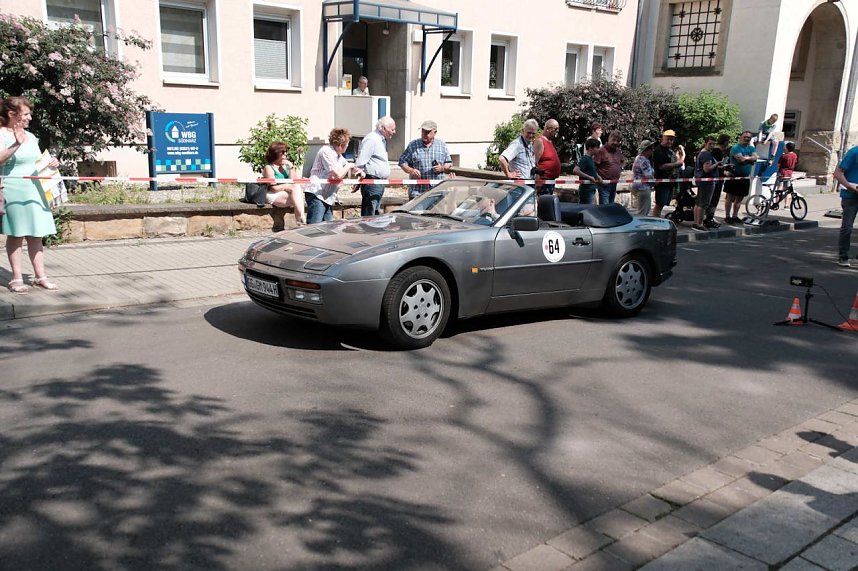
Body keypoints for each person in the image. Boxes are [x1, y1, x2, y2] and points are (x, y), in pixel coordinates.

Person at [0, 96, 60, 294]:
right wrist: (15, 144)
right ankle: (16, 278)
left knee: (36, 234)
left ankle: (40, 277)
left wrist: (51, 163)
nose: (30, 117)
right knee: (16, 234)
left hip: (36, 188)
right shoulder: (2, 134)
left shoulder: (32, 136)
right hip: (13, 188)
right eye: (26, 114)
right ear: (11, 114)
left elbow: (37, 160)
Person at [305, 128, 364, 224]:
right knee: (314, 227)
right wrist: (349, 165)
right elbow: (338, 174)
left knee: (329, 228)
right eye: (347, 144)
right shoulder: (326, 151)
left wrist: (360, 172)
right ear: (341, 144)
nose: (348, 146)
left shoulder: (339, 156)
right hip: (317, 194)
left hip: (327, 197)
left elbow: (351, 168)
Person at [398, 119, 453, 199]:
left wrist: (442, 168)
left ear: (434, 132)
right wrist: (411, 170)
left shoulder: (442, 146)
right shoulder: (413, 145)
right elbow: (402, 162)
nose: (424, 134)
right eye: (423, 131)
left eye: (427, 132)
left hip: (436, 192)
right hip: (417, 192)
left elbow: (449, 163)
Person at [355, 116, 395, 216]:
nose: (394, 132)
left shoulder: (380, 140)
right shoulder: (372, 139)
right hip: (372, 182)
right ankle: (368, 231)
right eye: (392, 129)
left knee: (375, 213)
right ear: (384, 128)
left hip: (378, 182)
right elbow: (361, 161)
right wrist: (358, 180)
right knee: (370, 214)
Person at [261, 142, 305, 225]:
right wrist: (287, 186)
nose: (286, 154)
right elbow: (273, 188)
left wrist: (291, 168)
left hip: (287, 193)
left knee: (297, 193)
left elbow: (294, 182)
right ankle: (302, 220)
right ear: (276, 153)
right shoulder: (269, 168)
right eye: (283, 152)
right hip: (273, 195)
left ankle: (300, 222)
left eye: (286, 151)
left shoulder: (286, 166)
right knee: (297, 194)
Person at [832, 144, 858, 267]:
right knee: (847, 227)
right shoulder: (854, 152)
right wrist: (849, 186)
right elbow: (838, 173)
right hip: (850, 196)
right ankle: (843, 256)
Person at [724, 131, 758, 224]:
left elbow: (755, 158)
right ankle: (727, 216)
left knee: (739, 198)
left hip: (745, 177)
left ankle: (735, 216)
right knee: (730, 197)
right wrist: (749, 159)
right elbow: (740, 159)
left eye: (749, 137)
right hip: (734, 176)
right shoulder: (735, 147)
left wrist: (746, 158)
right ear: (741, 137)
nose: (747, 139)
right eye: (745, 137)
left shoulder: (751, 148)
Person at [651, 129, 686, 218]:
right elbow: (661, 166)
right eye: (668, 139)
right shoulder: (659, 151)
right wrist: (676, 164)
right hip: (662, 182)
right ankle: (656, 222)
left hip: (670, 182)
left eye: (672, 139)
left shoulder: (670, 150)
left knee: (663, 203)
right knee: (659, 204)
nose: (670, 141)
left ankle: (658, 221)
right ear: (663, 138)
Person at [705, 133, 733, 228]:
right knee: (713, 198)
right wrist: (724, 169)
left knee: (715, 199)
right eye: (727, 141)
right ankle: (708, 218)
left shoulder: (722, 152)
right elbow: (716, 165)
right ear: (724, 142)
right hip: (715, 178)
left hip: (719, 178)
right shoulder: (716, 151)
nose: (728, 143)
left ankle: (710, 217)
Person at [692, 136, 718, 231]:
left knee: (699, 202)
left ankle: (696, 222)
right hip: (707, 181)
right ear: (705, 143)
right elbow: (707, 169)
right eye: (710, 143)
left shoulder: (702, 153)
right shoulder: (706, 154)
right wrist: (717, 164)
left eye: (714, 144)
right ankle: (699, 223)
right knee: (703, 203)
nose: (712, 146)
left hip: (702, 180)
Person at [593, 131, 625, 205]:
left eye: (618, 141)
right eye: (613, 140)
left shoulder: (618, 151)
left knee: (610, 208)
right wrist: (597, 176)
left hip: (614, 184)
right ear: (609, 138)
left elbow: (622, 161)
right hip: (604, 185)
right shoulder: (601, 151)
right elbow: (593, 165)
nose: (615, 142)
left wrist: (621, 168)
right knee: (605, 209)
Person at [532, 119, 561, 195]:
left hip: (549, 181)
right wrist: (538, 178)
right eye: (555, 129)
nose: (557, 132)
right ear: (548, 129)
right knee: (543, 204)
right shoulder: (540, 141)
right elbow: (534, 161)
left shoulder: (549, 142)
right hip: (543, 181)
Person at [573, 138, 602, 204]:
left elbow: (591, 170)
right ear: (590, 148)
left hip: (591, 188)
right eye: (597, 147)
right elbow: (575, 170)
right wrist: (589, 177)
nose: (598, 149)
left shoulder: (590, 159)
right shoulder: (585, 159)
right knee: (586, 208)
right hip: (586, 189)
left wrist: (597, 176)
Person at [631, 139, 656, 216]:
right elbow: (648, 176)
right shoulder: (644, 161)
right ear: (646, 150)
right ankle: (640, 226)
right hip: (643, 188)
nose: (653, 150)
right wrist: (655, 182)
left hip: (636, 186)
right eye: (651, 148)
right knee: (643, 211)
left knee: (641, 210)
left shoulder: (638, 158)